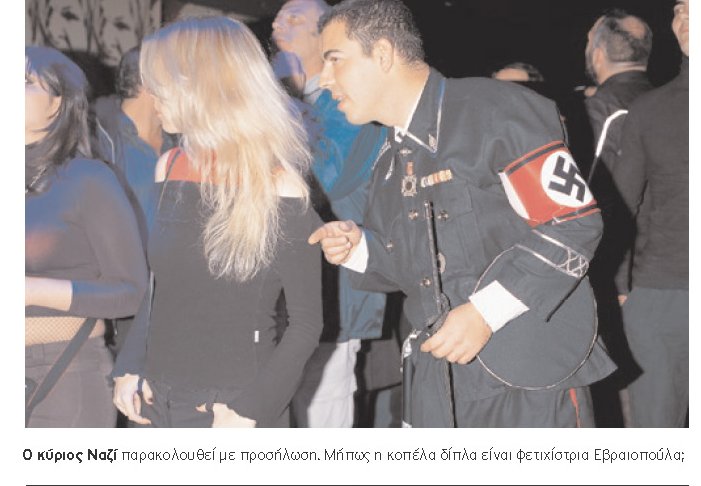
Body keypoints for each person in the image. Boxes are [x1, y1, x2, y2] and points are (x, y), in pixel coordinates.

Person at [309, 0, 616, 427]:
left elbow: (574, 223)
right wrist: (359, 248)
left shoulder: (496, 112)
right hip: (438, 384)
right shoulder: (389, 161)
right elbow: (412, 271)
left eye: (334, 60)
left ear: (382, 54)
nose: (324, 79)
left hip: (527, 382)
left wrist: (485, 312)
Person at [111, 16, 324, 428]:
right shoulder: (170, 166)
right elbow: (160, 288)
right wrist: (130, 364)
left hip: (233, 406)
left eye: (161, 82)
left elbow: (306, 325)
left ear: (202, 86)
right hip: (156, 400)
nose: (151, 94)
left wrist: (252, 408)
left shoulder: (280, 187)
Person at [272, 0, 391, 428]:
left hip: (334, 284)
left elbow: (321, 182)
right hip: (282, 290)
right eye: (278, 16)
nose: (277, 23)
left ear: (324, 37)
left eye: (294, 17)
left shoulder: (349, 104)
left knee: (321, 414)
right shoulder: (282, 99)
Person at [25, 45, 148, 427]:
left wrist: (31, 290)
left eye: (24, 81)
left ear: (58, 104)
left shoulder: (88, 179)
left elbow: (132, 291)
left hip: (62, 373)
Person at [611, 0, 688, 428]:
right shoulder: (649, 110)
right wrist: (623, 287)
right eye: (680, 9)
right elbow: (623, 203)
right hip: (659, 296)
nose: (686, 18)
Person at [581, 9, 655, 427]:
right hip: (666, 274)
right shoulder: (669, 101)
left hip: (616, 275)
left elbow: (584, 197)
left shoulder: (602, 109)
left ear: (598, 51)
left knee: (618, 400)